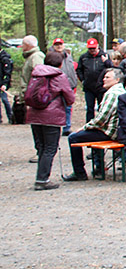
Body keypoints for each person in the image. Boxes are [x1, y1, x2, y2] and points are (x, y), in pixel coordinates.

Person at [64, 68, 126, 181]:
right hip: (116, 131)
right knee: (92, 133)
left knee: (73, 137)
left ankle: (79, 173)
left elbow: (100, 120)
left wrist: (84, 127)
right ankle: (99, 168)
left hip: (109, 132)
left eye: (107, 77)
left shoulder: (113, 94)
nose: (104, 79)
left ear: (117, 80)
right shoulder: (122, 91)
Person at [26, 50, 76, 190]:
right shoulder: (60, 76)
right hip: (51, 117)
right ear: (60, 64)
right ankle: (42, 180)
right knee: (50, 148)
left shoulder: (36, 73)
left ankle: (41, 177)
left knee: (41, 147)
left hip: (34, 115)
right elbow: (70, 98)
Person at [76, 38, 112, 122]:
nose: (92, 50)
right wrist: (83, 80)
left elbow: (110, 68)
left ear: (98, 47)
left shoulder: (104, 56)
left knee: (102, 107)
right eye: (90, 48)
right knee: (89, 108)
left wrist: (106, 62)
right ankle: (89, 124)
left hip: (101, 87)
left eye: (94, 48)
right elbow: (79, 70)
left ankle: (101, 124)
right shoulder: (83, 57)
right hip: (89, 86)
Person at [51, 38, 78, 135]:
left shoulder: (68, 56)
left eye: (60, 44)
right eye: (57, 44)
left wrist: (74, 81)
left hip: (69, 85)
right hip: (56, 86)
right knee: (56, 107)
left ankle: (67, 127)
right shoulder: (51, 57)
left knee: (68, 107)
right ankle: (56, 127)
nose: (59, 46)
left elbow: (72, 70)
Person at [0, 46, 13, 124]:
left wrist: (5, 83)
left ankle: (11, 116)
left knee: (5, 100)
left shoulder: (4, 58)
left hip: (3, 83)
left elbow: (7, 72)